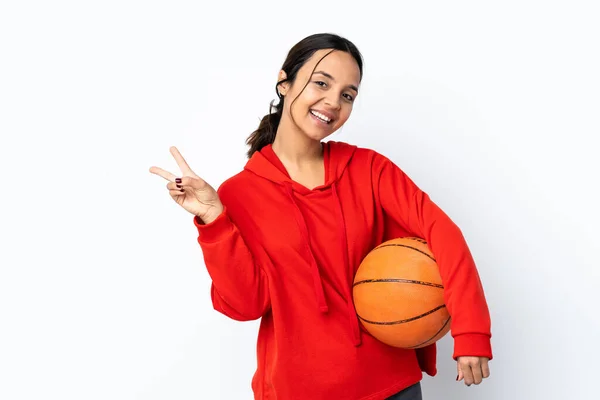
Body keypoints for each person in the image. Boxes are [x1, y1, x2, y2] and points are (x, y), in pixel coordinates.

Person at [150, 33, 492, 400]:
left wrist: (471, 330)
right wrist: (213, 220)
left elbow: (441, 231)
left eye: (348, 95)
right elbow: (246, 305)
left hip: (393, 387)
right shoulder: (238, 194)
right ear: (284, 82)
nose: (333, 102)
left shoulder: (369, 169)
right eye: (321, 83)